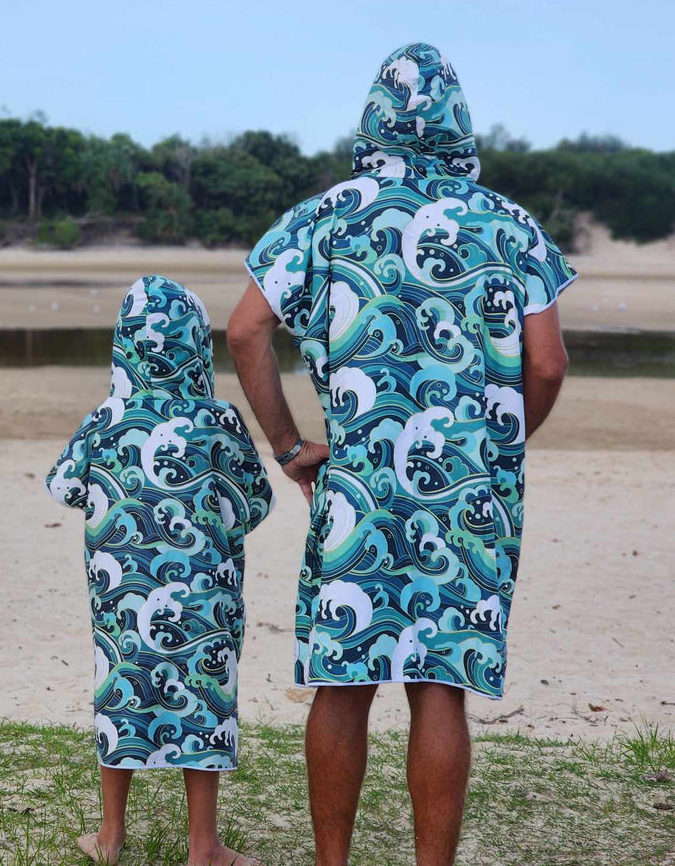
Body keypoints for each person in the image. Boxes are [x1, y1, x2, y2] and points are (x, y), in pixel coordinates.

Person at [226, 42, 576, 866]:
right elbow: (550, 363)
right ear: (458, 117)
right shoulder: (510, 223)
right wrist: (499, 443)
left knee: (343, 686)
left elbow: (244, 331)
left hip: (353, 484)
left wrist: (287, 446)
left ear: (374, 117)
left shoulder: (322, 216)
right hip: (467, 495)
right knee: (438, 686)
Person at [47, 275, 273, 866]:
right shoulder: (218, 421)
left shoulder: (106, 419)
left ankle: (110, 836)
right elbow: (254, 504)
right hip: (205, 601)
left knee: (120, 694)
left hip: (120, 598)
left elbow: (64, 485)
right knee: (202, 703)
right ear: (199, 347)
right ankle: (203, 849)